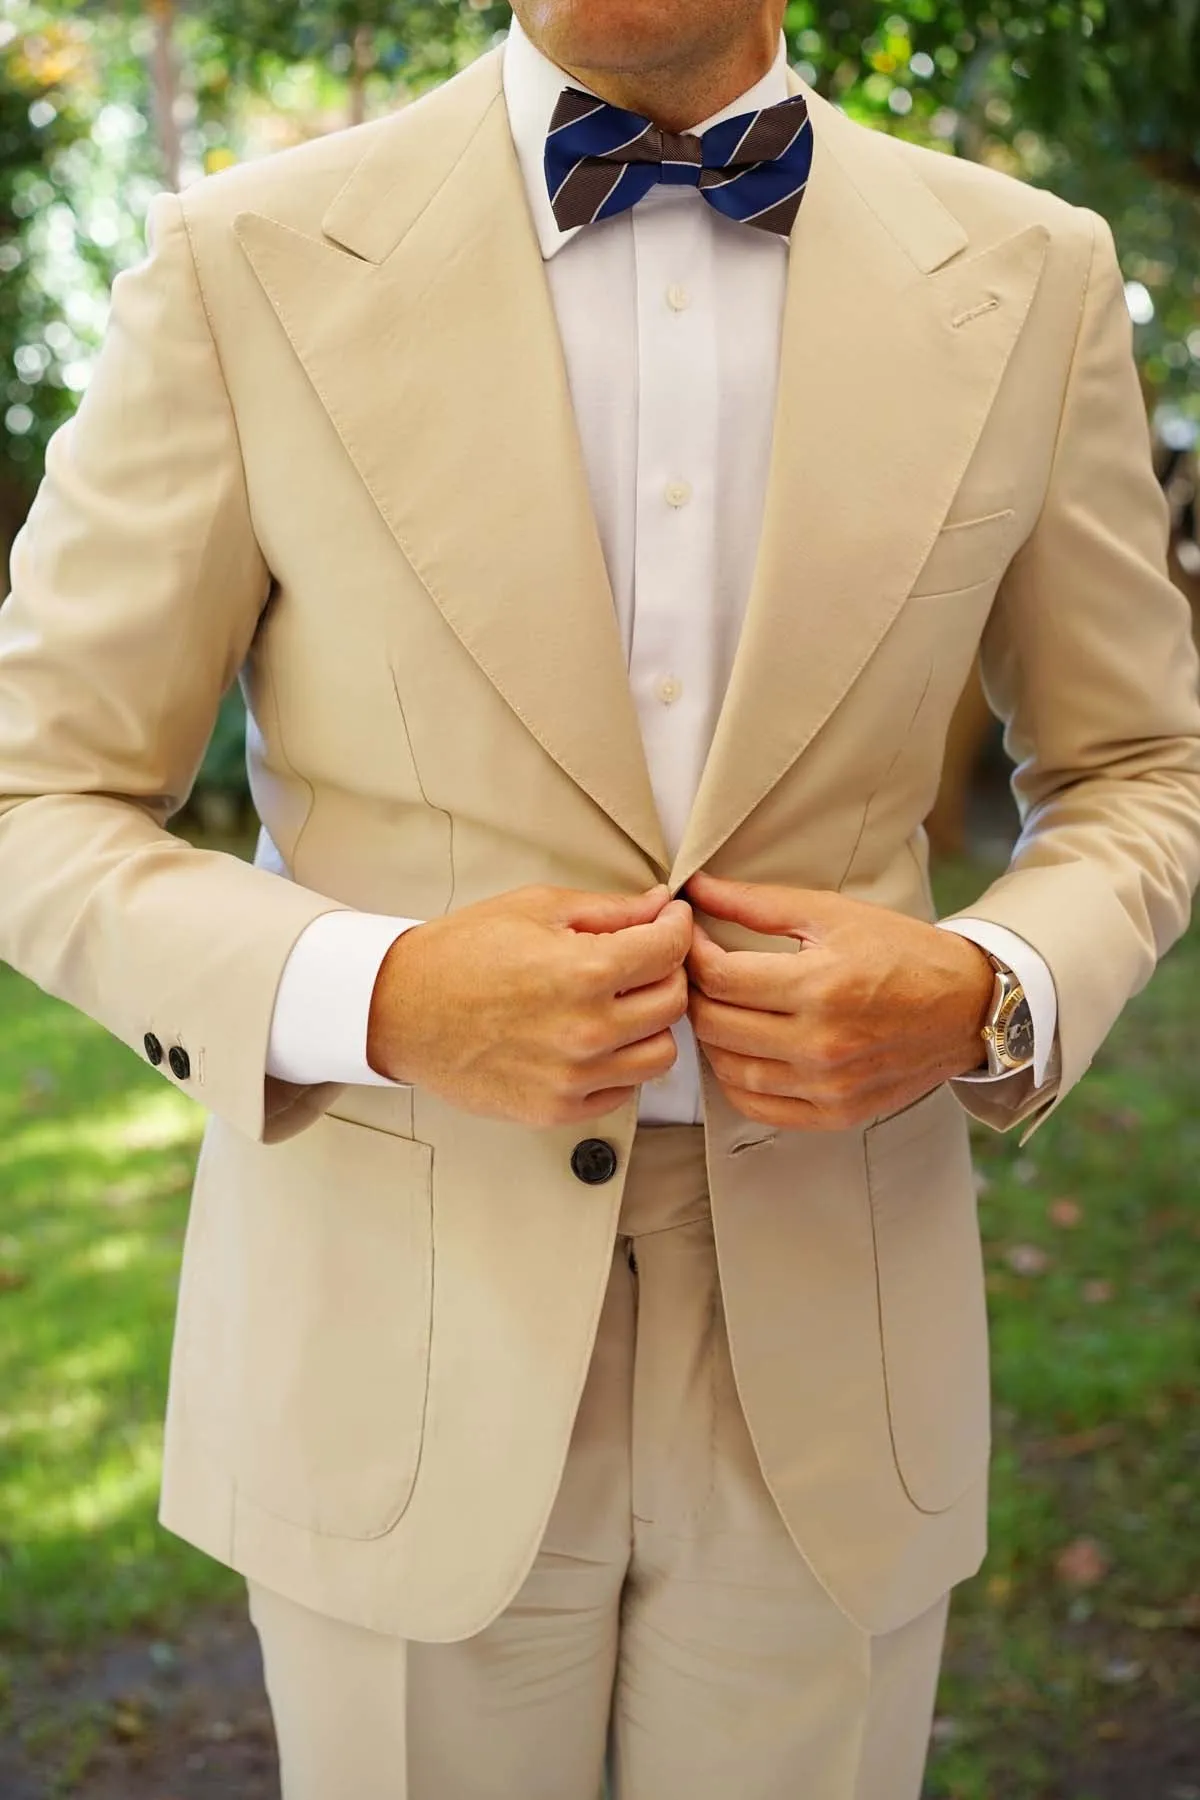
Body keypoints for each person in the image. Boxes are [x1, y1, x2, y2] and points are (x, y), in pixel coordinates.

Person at [1, 2, 1198, 1795]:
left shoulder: (1029, 275)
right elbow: (38, 792)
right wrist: (379, 990)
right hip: (392, 1342)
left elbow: (1144, 768)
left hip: (833, 1343)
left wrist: (990, 983)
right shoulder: (240, 260)